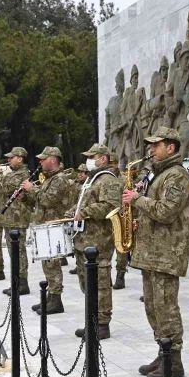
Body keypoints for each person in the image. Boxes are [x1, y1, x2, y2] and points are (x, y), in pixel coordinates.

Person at [123, 127, 189, 377]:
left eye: (157, 145)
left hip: (166, 253)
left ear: (171, 148)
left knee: (166, 308)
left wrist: (137, 200)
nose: (151, 150)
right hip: (152, 252)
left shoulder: (177, 176)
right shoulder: (158, 174)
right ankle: (163, 351)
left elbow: (166, 212)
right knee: (153, 307)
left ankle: (174, 360)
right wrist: (139, 222)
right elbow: (156, 214)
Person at [69, 143, 121, 340]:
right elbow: (84, 203)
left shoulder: (108, 180)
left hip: (99, 241)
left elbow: (110, 206)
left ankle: (102, 324)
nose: (89, 159)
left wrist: (85, 212)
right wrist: (72, 212)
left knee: (100, 284)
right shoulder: (92, 180)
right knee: (87, 284)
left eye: (93, 156)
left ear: (103, 159)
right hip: (85, 240)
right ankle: (91, 320)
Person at [22, 147, 75, 315]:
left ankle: (56, 299)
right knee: (47, 264)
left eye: (43, 159)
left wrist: (32, 189)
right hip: (46, 226)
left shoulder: (59, 179)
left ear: (53, 160)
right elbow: (38, 202)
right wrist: (25, 195)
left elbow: (47, 200)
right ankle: (50, 297)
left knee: (53, 264)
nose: (40, 162)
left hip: (54, 226)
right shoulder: (50, 179)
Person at [0, 147, 33, 296]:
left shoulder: (22, 174)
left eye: (11, 157)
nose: (8, 160)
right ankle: (16, 282)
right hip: (10, 219)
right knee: (12, 251)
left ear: (20, 158)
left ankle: (22, 283)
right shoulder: (13, 173)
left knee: (18, 251)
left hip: (17, 219)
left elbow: (4, 187)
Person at [109, 152, 129, 290]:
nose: (109, 166)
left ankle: (120, 275)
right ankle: (106, 276)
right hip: (106, 219)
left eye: (112, 163)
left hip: (120, 217)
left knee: (121, 251)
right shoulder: (104, 178)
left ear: (116, 164)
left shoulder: (123, 179)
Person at [68, 163, 88, 277]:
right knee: (75, 241)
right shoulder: (76, 184)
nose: (80, 174)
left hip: (82, 216)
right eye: (79, 172)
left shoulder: (87, 185)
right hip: (74, 214)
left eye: (83, 172)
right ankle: (78, 264)